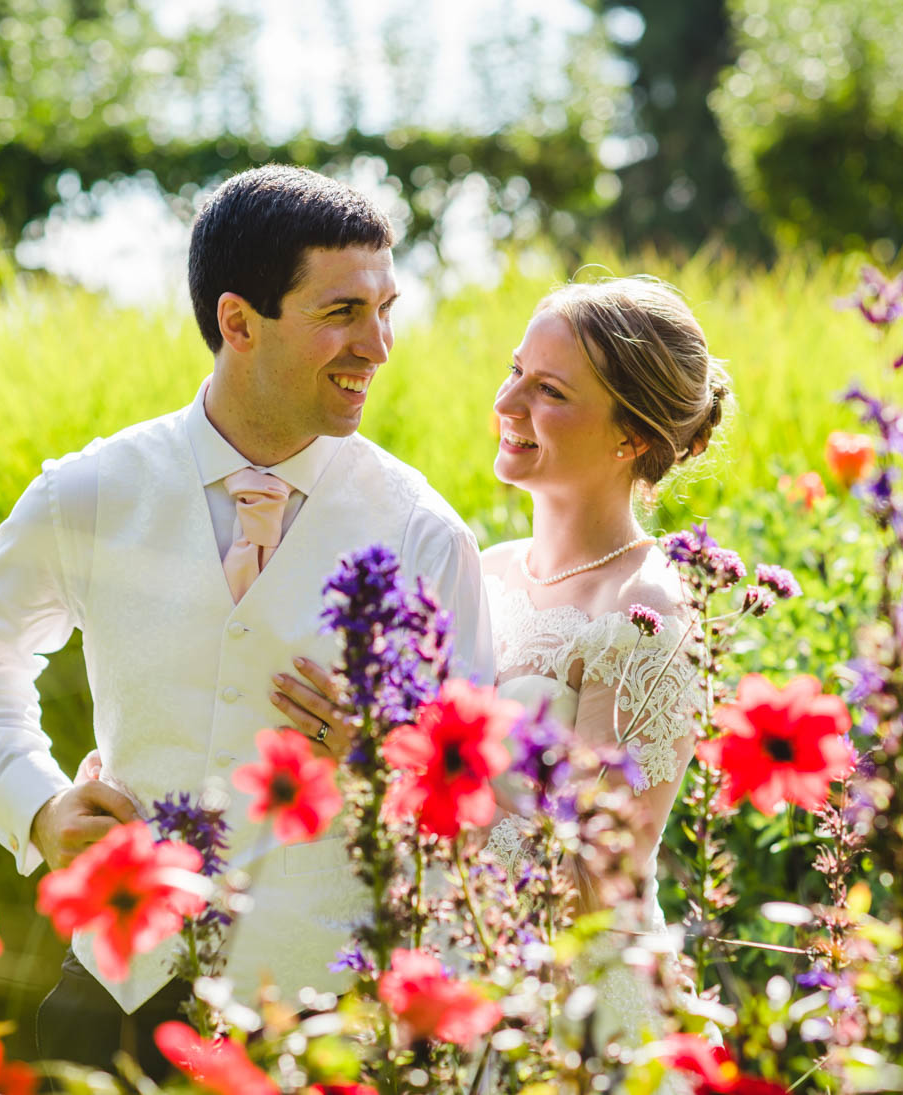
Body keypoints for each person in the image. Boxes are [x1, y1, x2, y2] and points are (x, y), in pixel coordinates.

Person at [0, 164, 493, 1077]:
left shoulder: (422, 530)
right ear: (239, 322)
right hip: (116, 996)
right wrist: (36, 802)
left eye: (387, 307)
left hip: (326, 1020)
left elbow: (472, 782)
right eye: (342, 312)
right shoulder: (93, 490)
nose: (379, 345)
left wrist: (376, 750)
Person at [276, 275, 726, 1051]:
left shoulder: (646, 609)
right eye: (515, 371)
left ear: (633, 437)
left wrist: (386, 761)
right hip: (453, 975)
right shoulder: (481, 571)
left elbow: (597, 878)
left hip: (568, 1018)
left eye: (548, 390)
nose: (508, 404)